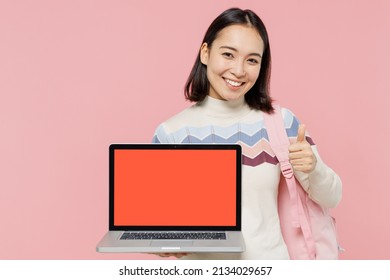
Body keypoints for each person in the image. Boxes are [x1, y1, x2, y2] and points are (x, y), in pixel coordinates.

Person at [151, 7, 342, 260]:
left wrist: (313, 167)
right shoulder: (172, 133)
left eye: (252, 60)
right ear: (205, 53)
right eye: (228, 54)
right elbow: (152, 226)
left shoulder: (280, 122)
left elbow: (332, 196)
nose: (239, 71)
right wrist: (161, 243)